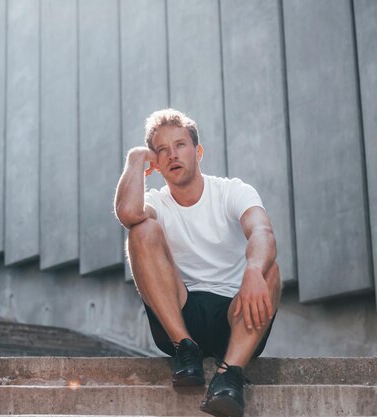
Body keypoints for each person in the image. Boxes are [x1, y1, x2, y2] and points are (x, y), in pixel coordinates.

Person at [114, 109, 281, 417]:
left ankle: (229, 375)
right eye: (161, 150)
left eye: (180, 145)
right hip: (180, 315)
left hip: (236, 318)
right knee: (141, 230)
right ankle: (185, 348)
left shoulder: (232, 191)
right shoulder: (157, 202)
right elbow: (128, 214)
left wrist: (254, 271)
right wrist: (135, 160)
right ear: (156, 163)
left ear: (198, 151)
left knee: (269, 266)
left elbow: (262, 230)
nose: (171, 155)